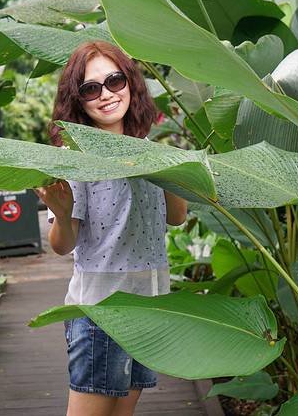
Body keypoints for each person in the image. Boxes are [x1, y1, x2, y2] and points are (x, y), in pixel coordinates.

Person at [33, 40, 188, 416]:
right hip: (102, 311)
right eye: (91, 88)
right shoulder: (76, 158)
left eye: (115, 81)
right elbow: (63, 245)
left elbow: (176, 216)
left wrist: (179, 171)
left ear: (131, 83)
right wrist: (62, 214)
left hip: (150, 303)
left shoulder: (152, 151)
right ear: (78, 99)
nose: (106, 94)